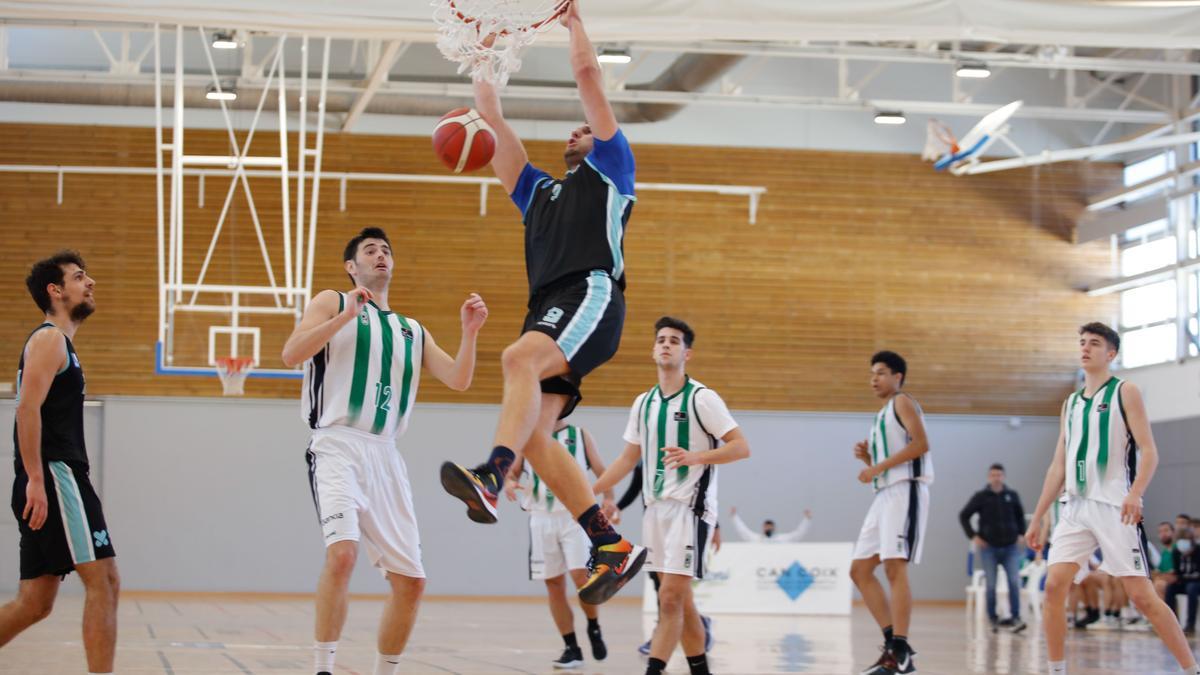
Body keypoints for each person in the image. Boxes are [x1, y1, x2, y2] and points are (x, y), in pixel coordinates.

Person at [438, 0, 645, 605]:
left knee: (515, 360)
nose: (578, 130)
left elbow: (587, 78)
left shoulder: (612, 168)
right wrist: (481, 56)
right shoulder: (537, 192)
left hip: (591, 292)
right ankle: (608, 542)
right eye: (575, 130)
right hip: (554, 308)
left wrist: (573, 21)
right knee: (537, 433)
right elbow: (492, 119)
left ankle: (492, 475)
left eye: (585, 127)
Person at [281, 227, 488, 675]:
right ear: (351, 267)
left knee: (412, 583)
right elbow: (291, 354)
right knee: (343, 555)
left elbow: (458, 379)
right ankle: (323, 668)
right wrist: (345, 317)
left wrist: (469, 333)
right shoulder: (331, 301)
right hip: (336, 443)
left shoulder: (411, 329)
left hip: (386, 455)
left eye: (386, 250)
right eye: (370, 250)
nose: (381, 255)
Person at [1025, 322, 1200, 675]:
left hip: (1114, 507)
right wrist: (1037, 516)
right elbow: (1057, 467)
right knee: (1054, 587)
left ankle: (1190, 669)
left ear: (1111, 354)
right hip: (1074, 508)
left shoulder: (1125, 392)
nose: (1085, 348)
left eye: (1094, 343)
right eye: (1082, 343)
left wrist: (1136, 493)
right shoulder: (1070, 404)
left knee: (1142, 597)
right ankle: (1056, 670)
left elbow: (1150, 451)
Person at [591, 317, 750, 675]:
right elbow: (626, 459)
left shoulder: (702, 398)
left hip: (690, 510)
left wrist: (697, 457)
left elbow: (741, 447)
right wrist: (588, 492)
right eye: (660, 339)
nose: (665, 344)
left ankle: (654, 669)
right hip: (654, 512)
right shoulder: (643, 403)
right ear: (653, 350)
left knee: (670, 599)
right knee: (682, 602)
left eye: (674, 341)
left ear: (687, 353)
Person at [0, 252, 119, 675]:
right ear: (56, 290)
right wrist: (36, 478)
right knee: (104, 581)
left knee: (33, 604)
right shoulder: (49, 340)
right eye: (79, 276)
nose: (90, 282)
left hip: (49, 474)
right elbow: (26, 409)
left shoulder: (57, 344)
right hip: (55, 474)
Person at [503, 418, 613, 669]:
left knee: (581, 578)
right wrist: (509, 481)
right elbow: (513, 470)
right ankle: (571, 647)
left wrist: (609, 497)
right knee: (554, 584)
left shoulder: (580, 435)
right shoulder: (528, 433)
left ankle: (594, 627)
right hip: (540, 518)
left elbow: (600, 469)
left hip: (573, 517)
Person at [851, 351, 933, 675]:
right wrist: (869, 458)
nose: (874, 378)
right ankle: (892, 645)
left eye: (881, 373)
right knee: (859, 571)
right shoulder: (881, 414)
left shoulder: (902, 402)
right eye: (872, 373)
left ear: (898, 377)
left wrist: (877, 467)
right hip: (885, 494)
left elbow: (921, 444)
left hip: (906, 490)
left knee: (894, 568)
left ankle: (900, 650)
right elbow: (889, 462)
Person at [612, 461, 716, 657]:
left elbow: (703, 490)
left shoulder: (679, 454)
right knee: (660, 587)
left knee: (672, 593)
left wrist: (715, 526)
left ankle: (683, 636)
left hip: (683, 523)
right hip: (655, 524)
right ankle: (686, 629)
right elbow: (635, 489)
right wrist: (616, 507)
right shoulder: (643, 460)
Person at [958, 463, 1028, 632]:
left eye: (999, 475)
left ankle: (1015, 616)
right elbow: (964, 515)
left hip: (1010, 547)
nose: (996, 478)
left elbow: (1020, 516)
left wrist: (1021, 534)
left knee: (1013, 581)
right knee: (991, 584)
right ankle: (993, 617)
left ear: (1003, 476)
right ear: (989, 477)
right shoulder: (982, 496)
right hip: (989, 548)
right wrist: (973, 536)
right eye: (993, 475)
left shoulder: (1011, 495)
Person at [1165, 528, 1200, 635]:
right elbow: (1177, 572)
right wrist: (1174, 577)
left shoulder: (1198, 550)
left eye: (1186, 539)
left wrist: (1181, 578)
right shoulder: (1176, 552)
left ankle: (1190, 625)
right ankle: (1173, 623)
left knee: (1192, 588)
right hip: (1184, 581)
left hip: (1197, 582)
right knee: (1170, 588)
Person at [729, 507, 812, 543]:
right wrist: (734, 517)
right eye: (766, 526)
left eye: (770, 526)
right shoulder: (756, 539)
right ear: (763, 527)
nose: (768, 528)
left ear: (774, 528)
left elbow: (798, 534)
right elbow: (743, 531)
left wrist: (807, 520)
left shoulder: (781, 539)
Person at [1154, 522, 1177, 601]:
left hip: (1176, 581)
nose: (1163, 534)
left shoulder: (1178, 549)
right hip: (1163, 579)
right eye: (1160, 532)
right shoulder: (1164, 552)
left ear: (1173, 532)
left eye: (1166, 530)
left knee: (1158, 584)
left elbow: (1175, 572)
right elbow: (1159, 570)